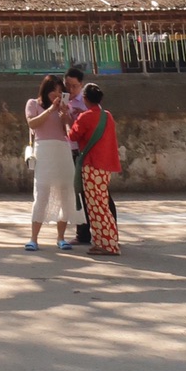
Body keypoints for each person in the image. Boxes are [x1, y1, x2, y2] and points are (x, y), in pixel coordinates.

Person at [23, 74, 79, 251]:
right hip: (44, 150)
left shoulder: (65, 107)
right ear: (46, 89)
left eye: (60, 90)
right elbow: (33, 124)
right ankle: (34, 238)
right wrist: (50, 110)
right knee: (42, 192)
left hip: (62, 149)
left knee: (65, 192)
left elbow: (68, 131)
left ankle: (61, 237)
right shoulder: (33, 104)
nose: (57, 93)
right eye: (54, 90)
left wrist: (65, 116)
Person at [68, 83, 122, 256]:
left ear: (85, 99)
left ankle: (109, 244)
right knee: (99, 204)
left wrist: (66, 121)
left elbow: (73, 136)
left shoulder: (86, 117)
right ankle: (101, 241)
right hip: (105, 165)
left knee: (97, 206)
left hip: (91, 165)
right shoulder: (107, 116)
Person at [64, 65, 92, 245]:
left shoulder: (87, 102)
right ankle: (82, 233)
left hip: (86, 150)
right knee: (77, 193)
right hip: (70, 149)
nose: (70, 89)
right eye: (68, 85)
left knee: (96, 192)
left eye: (74, 86)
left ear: (81, 85)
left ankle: (109, 231)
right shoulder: (66, 101)